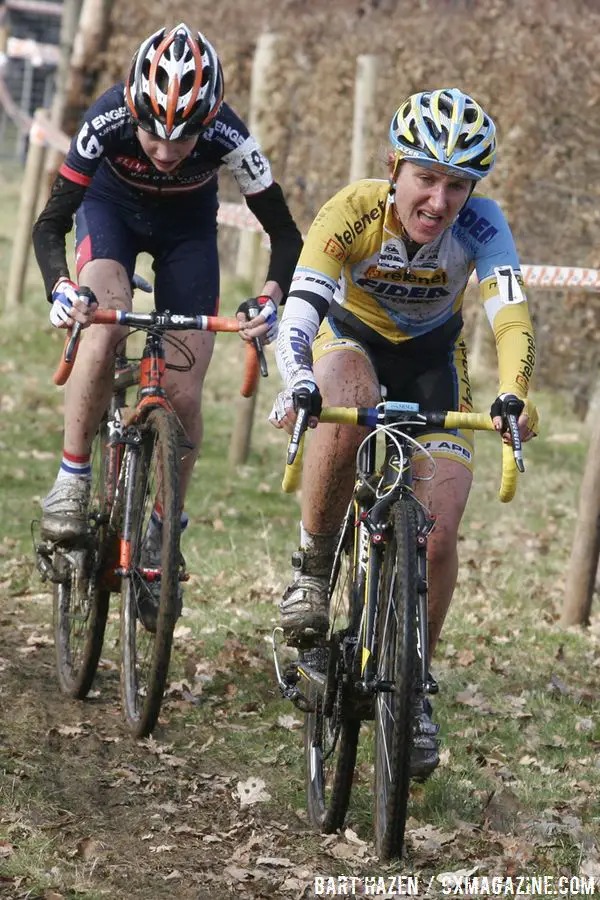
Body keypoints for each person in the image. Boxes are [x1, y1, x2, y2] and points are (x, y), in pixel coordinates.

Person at [269, 87, 539, 779]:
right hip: (348, 341)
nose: (440, 201)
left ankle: (414, 686)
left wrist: (515, 392)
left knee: (440, 526)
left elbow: (510, 315)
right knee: (348, 396)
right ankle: (313, 564)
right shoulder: (353, 209)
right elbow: (300, 308)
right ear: (395, 167)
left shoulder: (483, 225)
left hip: (431, 363)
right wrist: (297, 376)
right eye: (426, 177)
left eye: (457, 184)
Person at [32, 23, 303, 629]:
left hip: (187, 229)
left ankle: (162, 527)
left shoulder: (231, 134)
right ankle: (73, 478)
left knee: (183, 388)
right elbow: (49, 225)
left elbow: (285, 234)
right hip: (111, 212)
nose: (164, 148)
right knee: (101, 330)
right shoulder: (106, 119)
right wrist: (61, 287)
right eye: (153, 133)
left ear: (208, 122)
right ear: (134, 107)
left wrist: (268, 296)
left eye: (182, 139)